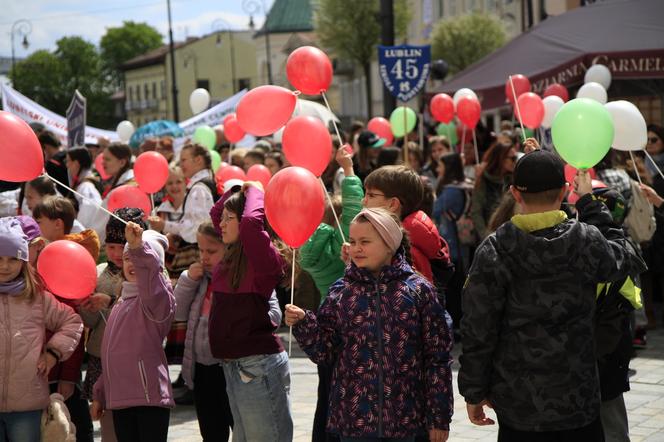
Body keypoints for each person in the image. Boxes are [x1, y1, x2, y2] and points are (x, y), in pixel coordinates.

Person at [459, 150, 647, 441]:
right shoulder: (586, 239)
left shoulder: (495, 249)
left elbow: (478, 328)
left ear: (514, 194)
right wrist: (590, 204)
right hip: (578, 399)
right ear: (563, 191)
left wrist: (473, 391)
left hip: (518, 405)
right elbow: (627, 260)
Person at [286, 208, 453, 442]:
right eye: (353, 241)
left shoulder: (418, 291)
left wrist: (439, 417)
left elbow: (437, 358)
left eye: (365, 241)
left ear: (389, 244)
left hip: (406, 421)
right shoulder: (341, 291)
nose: (356, 248)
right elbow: (325, 352)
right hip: (353, 423)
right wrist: (305, 323)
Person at [174, 222, 283, 441]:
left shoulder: (247, 278)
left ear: (231, 249)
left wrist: (240, 315)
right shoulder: (199, 281)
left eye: (211, 251)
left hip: (234, 367)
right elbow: (178, 311)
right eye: (200, 250)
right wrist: (187, 280)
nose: (204, 257)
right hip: (202, 369)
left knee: (240, 427)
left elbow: (274, 315)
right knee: (211, 430)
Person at [208, 181, 293, 441]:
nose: (221, 224)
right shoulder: (233, 254)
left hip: (257, 366)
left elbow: (250, 225)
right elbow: (215, 215)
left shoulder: (264, 261)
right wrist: (235, 191)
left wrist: (256, 191)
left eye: (228, 219)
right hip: (234, 366)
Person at [298, 145, 364, 442]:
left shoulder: (326, 253)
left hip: (330, 333)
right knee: (336, 394)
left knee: (328, 396)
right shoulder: (336, 253)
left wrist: (323, 226)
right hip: (345, 333)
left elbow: (306, 257)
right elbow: (353, 209)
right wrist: (348, 171)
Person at [90, 222, 175, 442]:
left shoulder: (158, 300)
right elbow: (112, 357)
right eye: (127, 258)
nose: (132, 263)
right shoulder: (120, 303)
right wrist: (100, 393)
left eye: (136, 258)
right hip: (121, 401)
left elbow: (152, 281)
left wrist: (138, 249)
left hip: (147, 401)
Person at [0, 217, 83, 441]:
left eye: (12, 259)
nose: (5, 266)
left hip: (27, 406)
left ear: (23, 261)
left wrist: (53, 353)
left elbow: (72, 322)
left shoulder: (37, 299)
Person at [79, 208, 146, 442]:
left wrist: (109, 302)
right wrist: (86, 306)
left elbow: (145, 310)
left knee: (135, 421)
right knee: (109, 425)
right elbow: (91, 323)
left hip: (136, 360)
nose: (117, 253)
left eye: (122, 246)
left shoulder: (146, 274)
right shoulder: (98, 274)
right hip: (101, 356)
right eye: (111, 247)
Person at [363, 165, 452, 285]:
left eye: (371, 195)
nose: (364, 201)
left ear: (393, 204)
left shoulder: (407, 251)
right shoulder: (399, 241)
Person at [149, 143, 216, 278]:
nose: (181, 164)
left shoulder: (199, 189)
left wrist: (166, 226)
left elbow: (196, 229)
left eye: (184, 160)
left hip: (196, 254)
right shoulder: (202, 185)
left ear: (198, 160)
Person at [470, 142, 517, 240]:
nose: (515, 161)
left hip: (512, 235)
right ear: (500, 159)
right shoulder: (483, 180)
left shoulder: (515, 179)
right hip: (491, 235)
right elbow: (476, 212)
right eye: (512, 158)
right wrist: (485, 235)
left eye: (516, 158)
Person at [66, 147, 105, 239]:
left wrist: (79, 233)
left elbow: (90, 208)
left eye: (68, 161)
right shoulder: (84, 183)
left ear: (76, 164)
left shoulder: (86, 186)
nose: (67, 165)